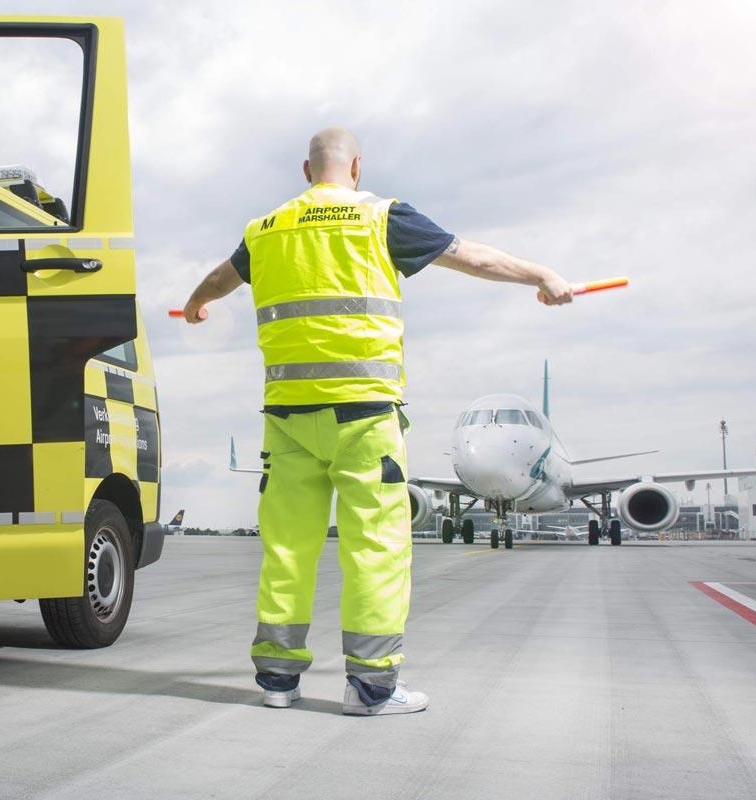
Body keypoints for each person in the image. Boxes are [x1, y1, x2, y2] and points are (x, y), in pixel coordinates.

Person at [181, 127, 572, 715]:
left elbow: (220, 279)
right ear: (356, 167)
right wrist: (542, 275)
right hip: (363, 415)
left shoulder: (265, 230)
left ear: (305, 171)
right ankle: (371, 688)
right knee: (375, 548)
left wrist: (195, 304)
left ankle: (278, 683)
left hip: (286, 416)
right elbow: (474, 257)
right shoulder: (380, 216)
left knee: (287, 547)